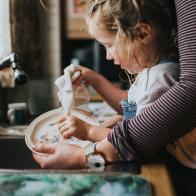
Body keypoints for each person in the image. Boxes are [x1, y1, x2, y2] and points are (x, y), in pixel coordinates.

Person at [33, 0, 196, 195]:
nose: (108, 56)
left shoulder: (160, 79)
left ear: (142, 33)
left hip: (185, 175)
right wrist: (95, 80)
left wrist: (90, 132)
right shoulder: (153, 72)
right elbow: (130, 109)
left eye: (109, 45)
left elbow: (145, 142)